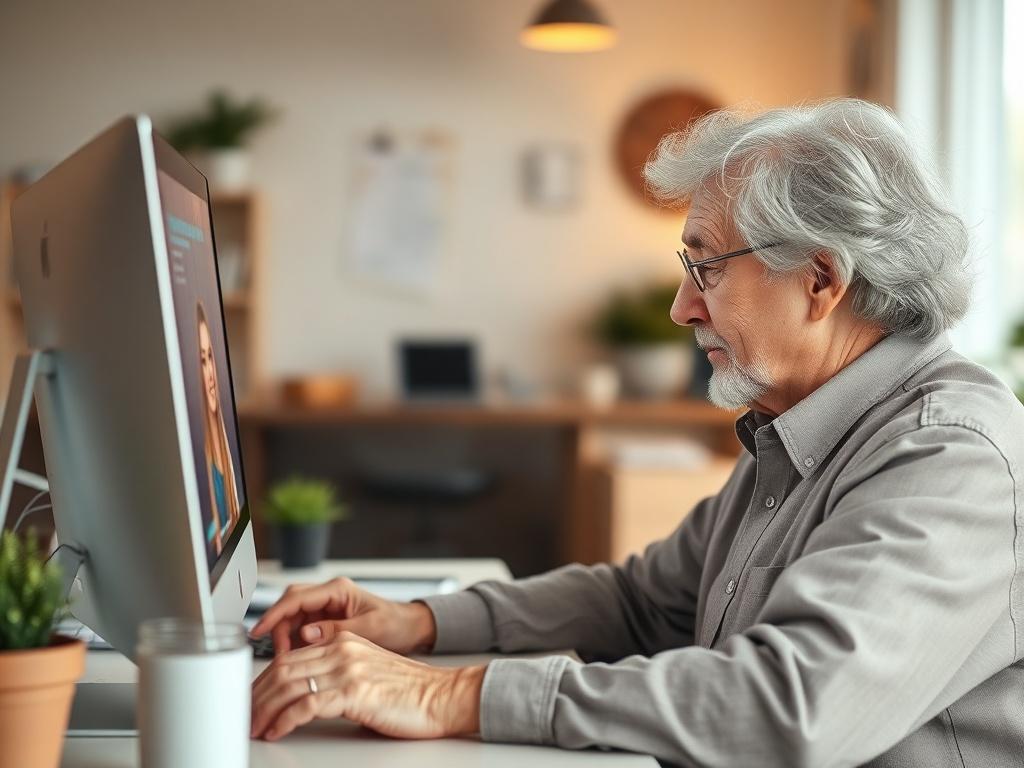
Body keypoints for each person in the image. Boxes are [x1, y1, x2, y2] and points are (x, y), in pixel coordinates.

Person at [248, 99, 1024, 767]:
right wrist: (417, 624)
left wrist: (459, 692)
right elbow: (641, 602)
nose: (683, 308)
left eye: (707, 268)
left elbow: (793, 704)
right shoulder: (799, 429)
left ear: (821, 280)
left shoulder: (951, 455)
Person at [197, 301, 241, 555]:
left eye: (210, 357)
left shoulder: (225, 457)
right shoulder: (202, 468)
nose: (211, 371)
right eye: (202, 360)